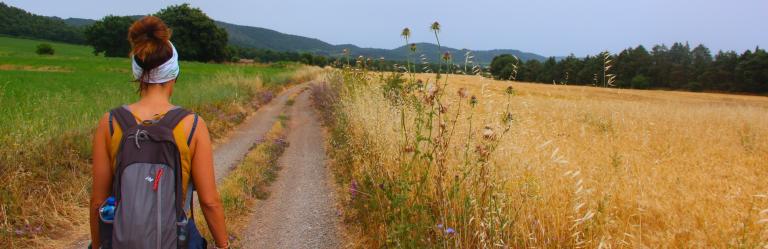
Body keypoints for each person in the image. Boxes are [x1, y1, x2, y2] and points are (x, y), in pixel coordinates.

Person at [89, 16, 229, 249]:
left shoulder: (111, 122)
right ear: (174, 73)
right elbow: (209, 201)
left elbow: (98, 202)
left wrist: (98, 246)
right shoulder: (192, 125)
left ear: (137, 73)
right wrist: (224, 246)